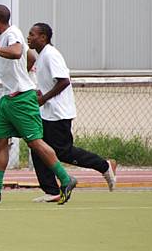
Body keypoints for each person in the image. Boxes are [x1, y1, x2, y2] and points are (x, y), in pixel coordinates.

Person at [0, 4, 77, 205]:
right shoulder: (7, 36)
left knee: (35, 142)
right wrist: (24, 75)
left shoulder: (11, 34)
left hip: (21, 99)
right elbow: (29, 56)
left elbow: (17, 52)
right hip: (9, 98)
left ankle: (66, 178)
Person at [27, 22, 117, 202]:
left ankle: (104, 165)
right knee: (37, 148)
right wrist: (38, 94)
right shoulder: (42, 56)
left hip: (58, 113)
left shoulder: (51, 55)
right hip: (47, 112)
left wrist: (44, 99)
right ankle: (51, 191)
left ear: (43, 37)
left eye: (32, 34)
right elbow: (49, 83)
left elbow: (64, 81)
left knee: (62, 152)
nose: (28, 38)